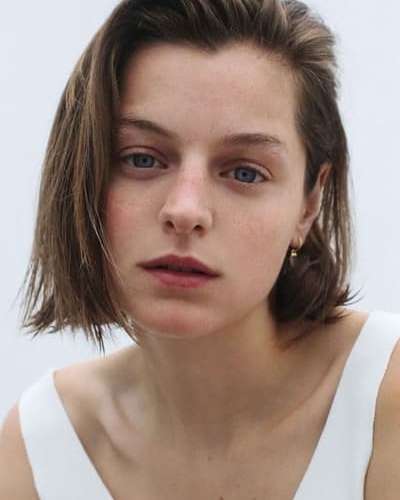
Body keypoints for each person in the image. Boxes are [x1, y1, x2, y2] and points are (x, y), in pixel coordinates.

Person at [1, 0, 399, 498]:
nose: (185, 210)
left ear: (309, 204)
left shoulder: (384, 398)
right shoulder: (41, 448)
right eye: (142, 159)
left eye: (245, 172)